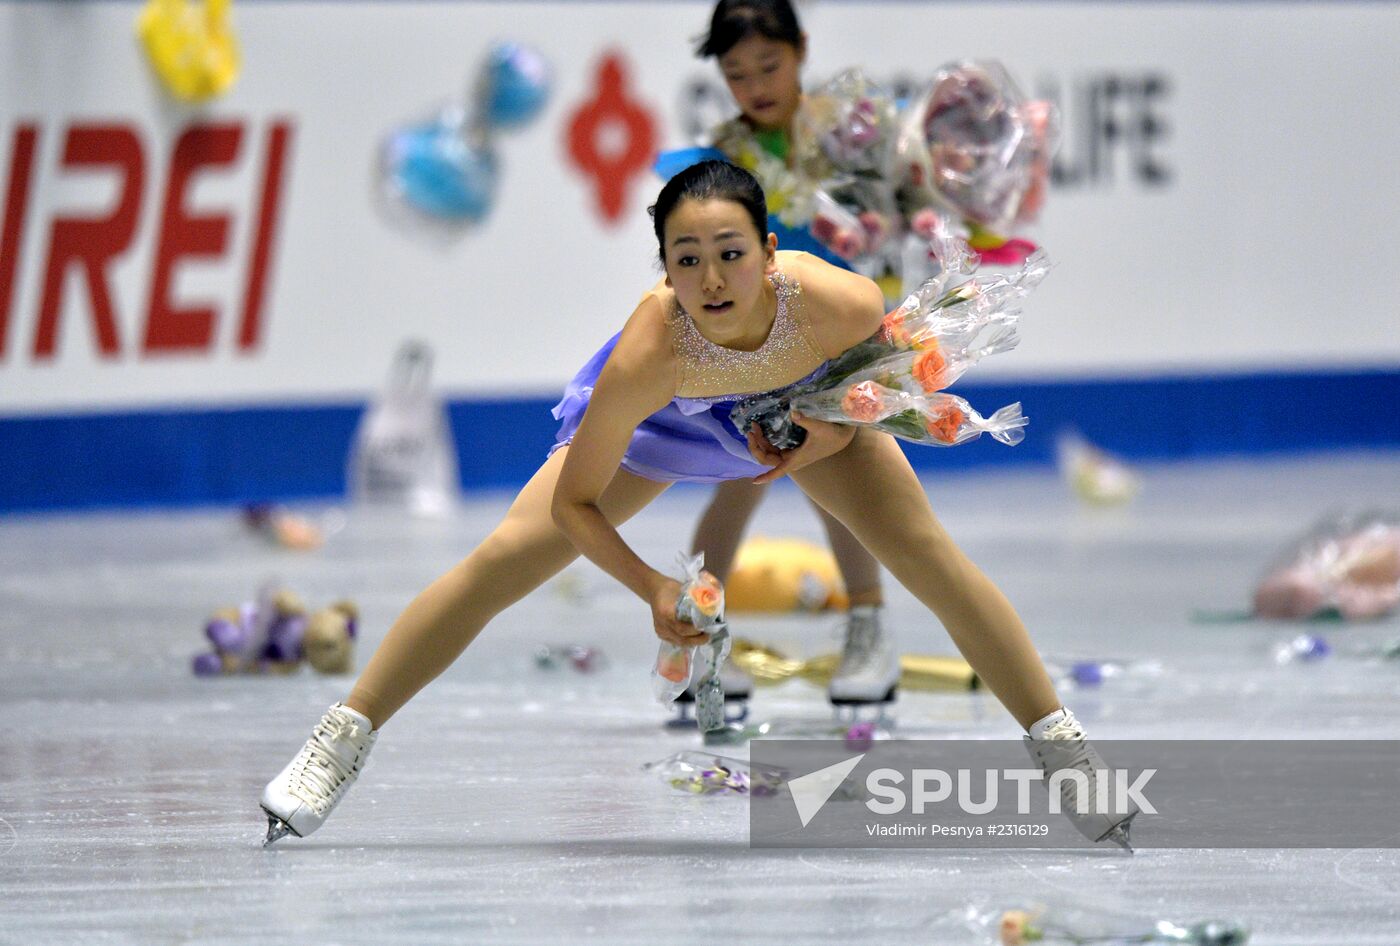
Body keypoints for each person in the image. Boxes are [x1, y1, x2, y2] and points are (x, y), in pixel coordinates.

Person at [259, 161, 1135, 850]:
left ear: (766, 248)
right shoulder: (650, 352)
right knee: (501, 562)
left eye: (730, 254)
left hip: (801, 415)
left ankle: (1066, 755)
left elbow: (870, 402)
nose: (712, 279)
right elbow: (576, 506)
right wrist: (650, 588)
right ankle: (339, 739)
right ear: (664, 267)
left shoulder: (839, 304)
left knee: (931, 561)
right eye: (687, 260)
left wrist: (803, 442)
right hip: (665, 431)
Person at [673, 0, 898, 711]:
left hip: (835, 339)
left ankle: (867, 625)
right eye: (737, 73)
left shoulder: (849, 136)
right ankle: (698, 632)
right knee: (740, 476)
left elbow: (891, 215)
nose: (755, 85)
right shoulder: (721, 156)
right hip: (754, 343)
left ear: (801, 50)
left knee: (843, 481)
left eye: (768, 66)